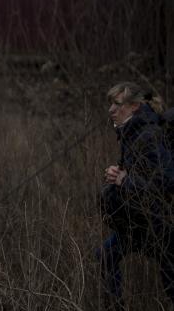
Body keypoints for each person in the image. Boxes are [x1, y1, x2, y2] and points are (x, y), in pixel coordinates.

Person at [97, 82, 174, 309]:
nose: (111, 109)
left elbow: (166, 182)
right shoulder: (131, 133)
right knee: (106, 255)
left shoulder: (148, 135)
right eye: (111, 103)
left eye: (117, 104)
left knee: (171, 279)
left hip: (156, 224)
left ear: (134, 107)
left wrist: (124, 180)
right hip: (136, 222)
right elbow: (142, 172)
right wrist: (118, 173)